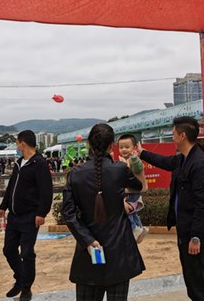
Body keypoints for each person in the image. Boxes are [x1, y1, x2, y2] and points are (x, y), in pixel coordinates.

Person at [139, 116, 204, 301]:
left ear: (183, 135)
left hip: (196, 237)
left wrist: (195, 237)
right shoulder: (183, 160)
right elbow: (164, 161)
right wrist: (141, 153)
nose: (172, 138)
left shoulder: (199, 164)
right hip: (186, 232)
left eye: (174, 134)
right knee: (194, 285)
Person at [63, 123, 145, 300]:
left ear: (89, 144)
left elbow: (68, 214)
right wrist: (135, 162)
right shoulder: (120, 169)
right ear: (111, 145)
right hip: (120, 253)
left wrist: (87, 240)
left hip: (89, 253)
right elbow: (139, 187)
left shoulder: (75, 173)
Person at [0, 130, 53, 301]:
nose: (16, 146)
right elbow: (11, 187)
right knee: (8, 250)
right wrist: (3, 205)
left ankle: (26, 288)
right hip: (13, 216)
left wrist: (41, 213)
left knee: (27, 253)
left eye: (17, 143)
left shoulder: (39, 164)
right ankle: (20, 279)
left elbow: (46, 191)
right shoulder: (19, 163)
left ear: (23, 143)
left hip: (30, 216)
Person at [118, 133, 149, 243]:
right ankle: (140, 228)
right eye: (121, 147)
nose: (124, 150)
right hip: (131, 192)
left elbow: (138, 168)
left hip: (131, 192)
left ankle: (134, 228)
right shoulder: (123, 160)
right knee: (133, 212)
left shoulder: (133, 160)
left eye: (127, 147)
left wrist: (135, 157)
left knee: (127, 211)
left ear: (134, 148)